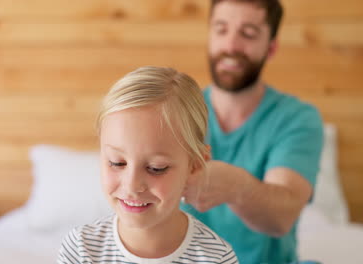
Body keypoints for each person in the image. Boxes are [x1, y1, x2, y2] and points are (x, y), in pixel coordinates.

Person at [180, 0, 324, 263]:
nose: (231, 46)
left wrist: (235, 187)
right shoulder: (175, 114)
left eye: (248, 34)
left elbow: (282, 217)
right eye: (221, 30)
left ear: (271, 47)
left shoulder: (297, 119)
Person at [56, 66, 238, 264]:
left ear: (194, 166)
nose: (132, 185)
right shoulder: (81, 249)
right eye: (117, 163)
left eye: (155, 168)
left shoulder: (216, 258)